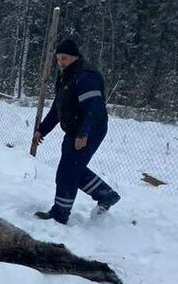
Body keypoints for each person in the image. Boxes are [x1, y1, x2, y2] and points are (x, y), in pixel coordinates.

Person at [31, 37, 120, 224]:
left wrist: (84, 134)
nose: (60, 62)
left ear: (74, 57)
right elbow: (58, 107)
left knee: (68, 171)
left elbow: (94, 108)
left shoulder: (86, 76)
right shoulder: (67, 75)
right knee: (72, 168)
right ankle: (106, 195)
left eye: (63, 58)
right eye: (57, 59)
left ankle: (60, 215)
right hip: (75, 129)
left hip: (91, 128)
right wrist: (42, 130)